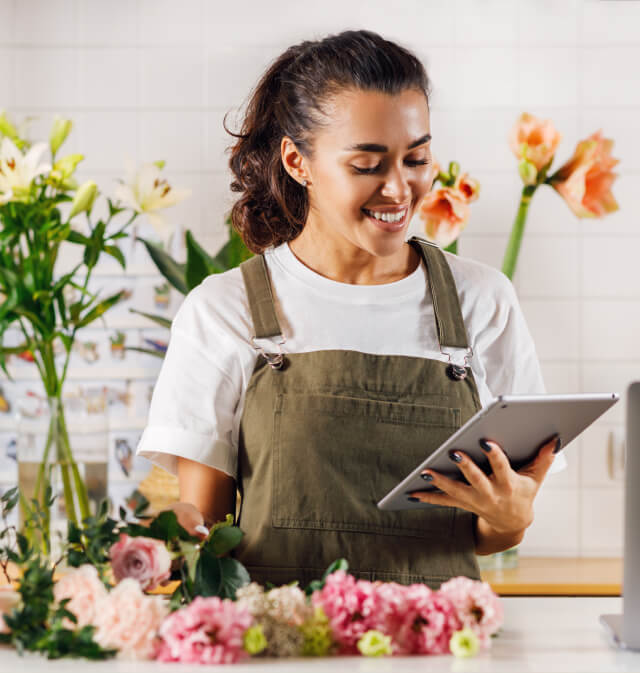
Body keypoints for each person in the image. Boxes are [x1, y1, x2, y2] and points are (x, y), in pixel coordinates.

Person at [136, 29, 567, 590]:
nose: (399, 189)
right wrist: (160, 544)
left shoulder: (481, 301)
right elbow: (206, 529)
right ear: (297, 161)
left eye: (416, 158)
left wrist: (510, 522)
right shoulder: (226, 309)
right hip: (280, 650)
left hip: (438, 653)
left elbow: (493, 526)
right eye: (367, 164)